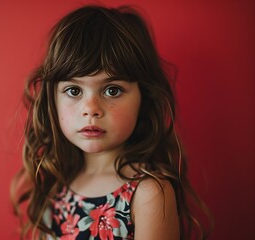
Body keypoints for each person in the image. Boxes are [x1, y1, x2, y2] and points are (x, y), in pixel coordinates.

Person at [11, 5, 211, 240]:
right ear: (52, 100)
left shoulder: (148, 193)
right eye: (74, 90)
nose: (91, 109)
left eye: (112, 90)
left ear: (143, 98)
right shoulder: (55, 185)